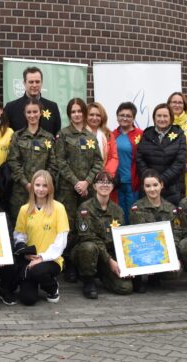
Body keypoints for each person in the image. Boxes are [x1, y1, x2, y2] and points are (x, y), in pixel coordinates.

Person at [54, 98, 105, 283]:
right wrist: (77, 182)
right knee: (68, 226)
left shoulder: (91, 137)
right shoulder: (63, 135)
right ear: (69, 114)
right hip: (68, 190)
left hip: (87, 190)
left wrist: (87, 182)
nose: (76, 114)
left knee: (85, 225)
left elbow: (98, 162)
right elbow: (60, 161)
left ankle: (84, 263)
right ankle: (69, 263)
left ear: (84, 113)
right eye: (73, 111)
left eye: (79, 111)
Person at [12, 170, 67, 305]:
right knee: (27, 300)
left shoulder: (58, 208)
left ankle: (52, 288)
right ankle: (33, 282)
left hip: (51, 259)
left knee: (38, 271)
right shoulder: (25, 209)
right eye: (37, 185)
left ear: (50, 188)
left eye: (45, 185)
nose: (41, 189)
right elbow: (19, 236)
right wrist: (26, 253)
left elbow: (61, 240)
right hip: (31, 259)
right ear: (32, 186)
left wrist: (42, 257)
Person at [72, 172, 131, 299]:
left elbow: (122, 239)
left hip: (108, 255)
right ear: (94, 186)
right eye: (101, 182)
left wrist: (128, 264)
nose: (105, 185)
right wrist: (110, 261)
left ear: (113, 186)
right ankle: (88, 281)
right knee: (88, 247)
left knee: (126, 288)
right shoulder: (85, 208)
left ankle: (104, 275)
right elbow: (87, 237)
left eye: (108, 182)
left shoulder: (118, 210)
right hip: (88, 253)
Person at [127, 170, 178, 292]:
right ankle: (138, 278)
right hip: (143, 251)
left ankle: (156, 275)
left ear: (162, 185)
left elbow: (177, 233)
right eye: (148, 186)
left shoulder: (171, 209)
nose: (152, 189)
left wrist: (171, 255)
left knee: (174, 274)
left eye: (155, 185)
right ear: (143, 188)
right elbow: (135, 239)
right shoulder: (136, 208)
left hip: (162, 252)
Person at [7, 99, 56, 223]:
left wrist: (43, 184)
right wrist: (26, 184)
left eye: (35, 112)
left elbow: (53, 163)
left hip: (42, 191)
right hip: (21, 191)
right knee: (20, 225)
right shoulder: (17, 136)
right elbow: (13, 161)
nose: (32, 115)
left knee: (42, 223)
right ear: (25, 114)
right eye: (29, 112)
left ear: (40, 113)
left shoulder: (48, 137)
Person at [136, 103, 187, 205]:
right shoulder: (146, 134)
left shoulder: (180, 135)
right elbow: (139, 158)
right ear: (154, 118)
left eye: (165, 116)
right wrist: (151, 180)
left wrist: (161, 181)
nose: (162, 119)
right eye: (159, 116)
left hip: (172, 188)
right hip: (149, 187)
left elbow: (180, 162)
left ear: (171, 118)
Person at [4, 67, 61, 135]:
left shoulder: (52, 107)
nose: (34, 85)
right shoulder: (10, 108)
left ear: (41, 83)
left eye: (37, 82)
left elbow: (57, 136)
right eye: (31, 82)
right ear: (24, 83)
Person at [110, 102, 143, 219]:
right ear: (117, 117)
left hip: (132, 183)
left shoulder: (141, 134)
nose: (124, 118)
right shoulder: (112, 135)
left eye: (128, 116)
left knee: (132, 215)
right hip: (116, 183)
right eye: (121, 115)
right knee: (118, 215)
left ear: (133, 118)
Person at [85, 102, 119, 179]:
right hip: (83, 178)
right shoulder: (79, 133)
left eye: (98, 115)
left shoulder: (108, 134)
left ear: (102, 117)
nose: (95, 118)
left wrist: (105, 174)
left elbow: (114, 157)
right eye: (91, 115)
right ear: (86, 116)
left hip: (103, 178)